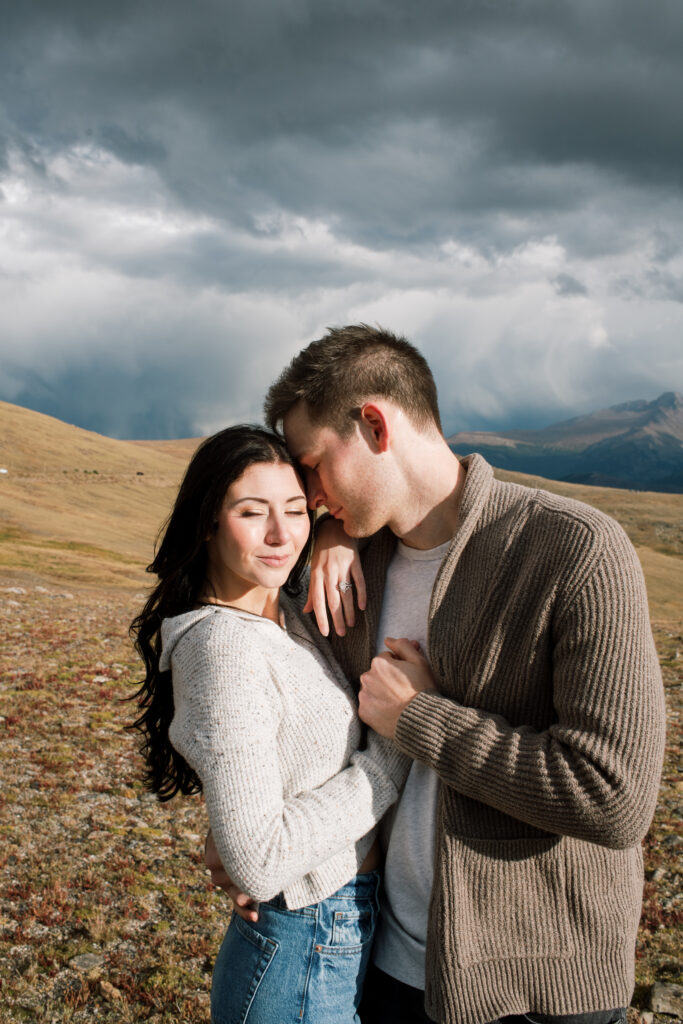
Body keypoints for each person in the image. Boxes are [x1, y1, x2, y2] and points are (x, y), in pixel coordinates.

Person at [208, 325, 666, 1024]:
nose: (308, 496)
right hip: (379, 965)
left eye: (312, 465)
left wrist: (420, 719)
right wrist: (249, 837)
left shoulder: (573, 549)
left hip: (537, 994)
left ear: (372, 423)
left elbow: (613, 798)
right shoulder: (341, 569)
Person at [130, 424, 412, 1024]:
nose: (282, 535)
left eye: (295, 510)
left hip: (339, 929)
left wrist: (335, 530)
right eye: (252, 513)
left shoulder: (278, 606)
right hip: (300, 945)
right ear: (207, 521)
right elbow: (257, 861)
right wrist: (391, 753)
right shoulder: (223, 648)